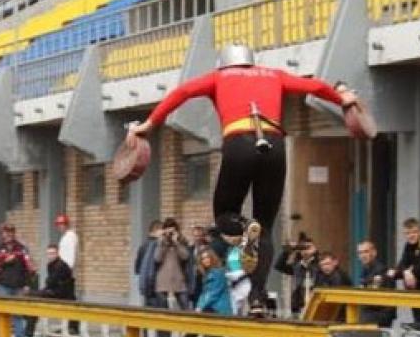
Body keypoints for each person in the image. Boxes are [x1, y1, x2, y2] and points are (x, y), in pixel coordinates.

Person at [128, 42, 359, 315]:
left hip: (239, 144)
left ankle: (243, 225)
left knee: (225, 215)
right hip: (274, 145)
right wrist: (341, 98)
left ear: (224, 63)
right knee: (266, 228)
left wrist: (149, 124)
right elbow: (316, 87)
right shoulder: (274, 74)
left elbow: (182, 92)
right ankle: (258, 298)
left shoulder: (218, 77)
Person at [165, 248, 233, 337]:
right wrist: (199, 307)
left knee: (195, 327)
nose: (206, 260)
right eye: (203, 259)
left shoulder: (218, 272)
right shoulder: (207, 274)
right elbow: (204, 294)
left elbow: (213, 294)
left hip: (219, 309)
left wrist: (200, 307)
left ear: (212, 258)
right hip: (210, 308)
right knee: (194, 327)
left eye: (207, 257)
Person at [0, 223, 35, 337]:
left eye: (11, 232)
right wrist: (4, 261)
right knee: (3, 313)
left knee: (18, 313)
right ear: (2, 234)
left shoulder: (21, 249)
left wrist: (27, 284)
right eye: (6, 232)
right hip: (3, 285)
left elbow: (29, 267)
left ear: (14, 233)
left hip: (19, 285)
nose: (8, 234)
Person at [154, 217, 191, 337]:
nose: (170, 234)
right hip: (162, 283)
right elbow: (157, 258)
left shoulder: (181, 242)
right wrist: (162, 242)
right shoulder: (160, 242)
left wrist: (176, 242)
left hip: (180, 282)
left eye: (172, 230)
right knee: (162, 316)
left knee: (187, 313)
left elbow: (186, 256)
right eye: (168, 230)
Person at [25, 244, 76, 337]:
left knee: (32, 297)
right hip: (54, 292)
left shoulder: (61, 265)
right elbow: (50, 282)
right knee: (32, 300)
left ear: (57, 253)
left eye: (53, 253)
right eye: (49, 254)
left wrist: (46, 288)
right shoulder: (50, 265)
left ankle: (28, 333)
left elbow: (51, 281)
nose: (50, 255)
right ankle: (28, 331)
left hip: (63, 295)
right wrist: (46, 288)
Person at [274, 233, 319, 316]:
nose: (305, 250)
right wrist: (288, 250)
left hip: (316, 306)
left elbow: (319, 267)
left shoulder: (319, 266)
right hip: (299, 307)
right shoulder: (297, 267)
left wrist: (315, 253)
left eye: (308, 247)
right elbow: (279, 266)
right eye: (303, 248)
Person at [356, 240, 395, 327]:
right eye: (360, 253)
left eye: (366, 252)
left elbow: (374, 294)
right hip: (370, 312)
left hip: (379, 314)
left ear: (374, 253)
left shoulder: (380, 270)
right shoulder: (365, 270)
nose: (362, 256)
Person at [55, 213, 80, 335]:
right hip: (64, 271)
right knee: (67, 300)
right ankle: (69, 324)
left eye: (61, 224)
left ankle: (73, 326)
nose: (60, 227)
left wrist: (66, 272)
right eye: (58, 224)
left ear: (66, 224)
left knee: (69, 300)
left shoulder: (70, 237)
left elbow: (70, 257)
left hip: (67, 273)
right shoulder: (66, 237)